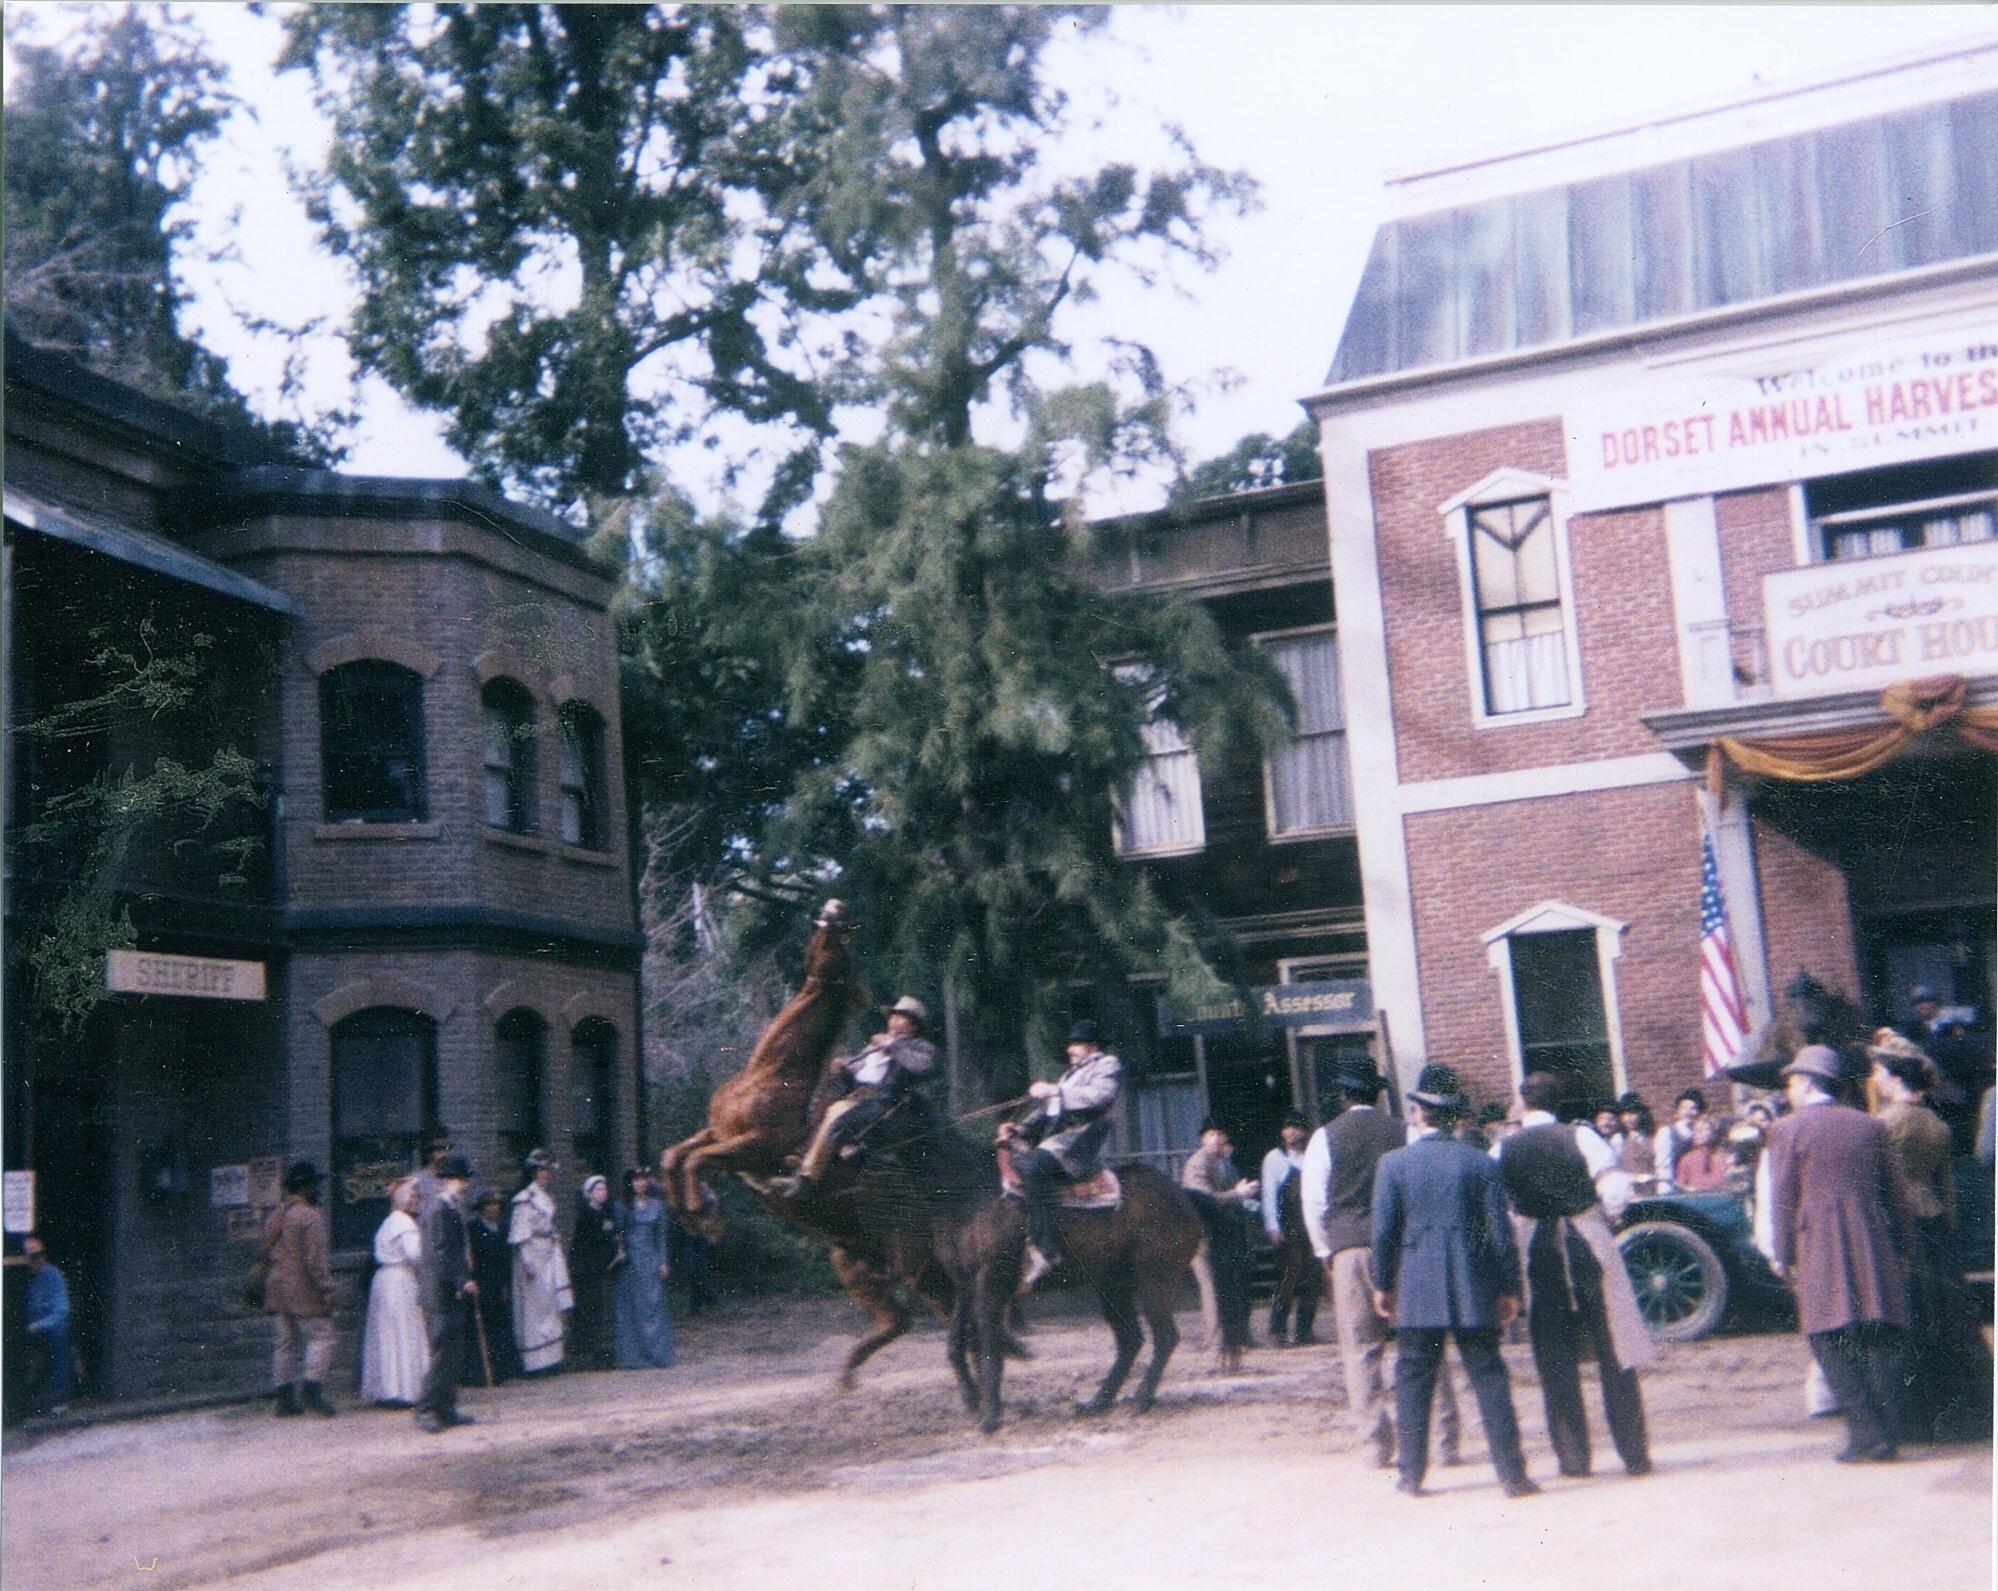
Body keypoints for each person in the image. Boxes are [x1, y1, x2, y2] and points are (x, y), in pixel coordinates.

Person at [1370, 1065, 1537, 1498]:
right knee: (1488, 1374)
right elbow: (1500, 1234)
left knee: (1412, 1379)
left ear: (1418, 1113)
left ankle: (1410, 1475)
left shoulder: (1393, 1164)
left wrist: (1382, 1283)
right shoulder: (1480, 1163)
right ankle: (1513, 1476)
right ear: (1457, 1117)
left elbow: (1384, 1232)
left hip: (1417, 1282)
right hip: (1473, 1282)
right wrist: (1509, 1288)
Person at [1498, 1072, 1655, 1479]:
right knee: (1613, 1348)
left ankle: (1572, 1459)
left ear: (1524, 1104)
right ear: (1558, 1104)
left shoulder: (1504, 1148)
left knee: (1554, 1356)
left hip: (1538, 1249)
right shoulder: (1582, 1137)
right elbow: (1617, 1186)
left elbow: (1500, 1204)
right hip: (1585, 1240)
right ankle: (1634, 1454)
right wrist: (1602, 1216)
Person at [1764, 1045, 1915, 1463]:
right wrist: (1903, 1247)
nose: (1790, 1088)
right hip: (1872, 1242)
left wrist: (1781, 1252)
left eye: (1793, 1081)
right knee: (1878, 1332)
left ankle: (1865, 1431)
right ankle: (1887, 1433)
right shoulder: (1870, 1126)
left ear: (1809, 1082)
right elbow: (1898, 1198)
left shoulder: (1787, 1130)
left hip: (1818, 1245)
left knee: (1827, 1336)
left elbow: (1783, 1198)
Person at [1869, 1032, 1992, 1441]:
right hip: (1936, 1227)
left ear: (1895, 1077)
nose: (1876, 1079)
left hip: (1903, 1228)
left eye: (1880, 1072)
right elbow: (1946, 1191)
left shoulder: (1886, 1124)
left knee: (1910, 1319)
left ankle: (1917, 1418)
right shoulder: (1936, 1123)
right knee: (1946, 1319)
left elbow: (1881, 1186)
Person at [1301, 1059, 1413, 1468]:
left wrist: (1323, 1250)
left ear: (1344, 1095)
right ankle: (1441, 1439)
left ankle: (1375, 1445)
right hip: (1401, 1249)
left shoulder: (1324, 1137)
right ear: (1378, 1094)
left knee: (1361, 1349)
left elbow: (1314, 1201)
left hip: (1350, 1247)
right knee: (1418, 1342)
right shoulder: (1405, 1131)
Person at [777, 996, 941, 1196]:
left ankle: (806, 1178)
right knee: (820, 1100)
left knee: (836, 1111)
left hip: (882, 1101)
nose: (894, 1022)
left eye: (901, 1018)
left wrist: (891, 1046)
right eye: (893, 1017)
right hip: (855, 1094)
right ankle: (799, 1151)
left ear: (913, 1026)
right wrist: (842, 1069)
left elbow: (924, 1067)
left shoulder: (917, 1047)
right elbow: (857, 1071)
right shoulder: (874, 1045)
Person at [1004, 1020, 1122, 1291]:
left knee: (1035, 1168)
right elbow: (1048, 1111)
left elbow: (1099, 1096)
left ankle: (1048, 1248)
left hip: (1080, 1140)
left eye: (1075, 1044)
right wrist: (1020, 1128)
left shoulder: (1108, 1065)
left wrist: (1057, 1091)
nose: (1070, 1049)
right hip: (1057, 1138)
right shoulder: (1070, 1075)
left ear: (1092, 1046)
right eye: (1070, 1044)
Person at [261, 1161, 337, 1419]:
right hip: (303, 1288)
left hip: (277, 1288)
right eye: (314, 1184)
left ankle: (284, 1398)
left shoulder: (277, 1214)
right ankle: (312, 1389)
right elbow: (315, 1261)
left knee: (285, 1343)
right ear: (305, 1187)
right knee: (322, 1336)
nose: (317, 1189)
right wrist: (326, 1289)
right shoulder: (309, 1216)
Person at [1182, 1122, 1258, 1367]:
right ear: (1203, 1138)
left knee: (1230, 1283)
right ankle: (1214, 1341)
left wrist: (1241, 1195)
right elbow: (1204, 1200)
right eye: (1211, 1134)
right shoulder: (1198, 1163)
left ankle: (1235, 1336)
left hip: (1224, 1233)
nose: (1216, 1139)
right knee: (1211, 1286)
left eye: (1220, 1134)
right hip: (1203, 1234)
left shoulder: (1224, 1163)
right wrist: (1238, 1194)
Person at [415, 1154, 478, 1432]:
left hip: (450, 1292)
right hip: (439, 1293)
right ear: (447, 1181)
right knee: (443, 1351)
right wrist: (461, 1281)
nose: (465, 1185)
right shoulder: (438, 1210)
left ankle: (446, 1407)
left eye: (465, 1180)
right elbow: (441, 1254)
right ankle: (425, 1408)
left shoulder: (451, 1208)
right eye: (460, 1180)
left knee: (454, 1351)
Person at [359, 1177, 429, 1406]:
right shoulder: (405, 1223)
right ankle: (405, 1390)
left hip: (383, 1281)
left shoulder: (388, 1222)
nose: (417, 1200)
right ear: (406, 1199)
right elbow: (415, 1255)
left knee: (387, 1333)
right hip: (399, 1280)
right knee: (402, 1329)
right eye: (415, 1196)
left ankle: (388, 1389)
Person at [510, 1149, 573, 1374]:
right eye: (541, 1171)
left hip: (548, 1253)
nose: (545, 1175)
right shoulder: (525, 1200)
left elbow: (549, 1225)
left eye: (547, 1171)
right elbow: (520, 1234)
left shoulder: (547, 1198)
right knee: (535, 1308)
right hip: (533, 1256)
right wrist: (527, 1261)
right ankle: (536, 1362)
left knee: (550, 1303)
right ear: (533, 1173)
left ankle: (553, 1357)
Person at [1260, 1114, 1321, 1347]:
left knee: (1312, 1280)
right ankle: (1277, 1330)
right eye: (1287, 1128)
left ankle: (1304, 1331)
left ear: (1305, 1131)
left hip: (1311, 1226)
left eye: (1296, 1128)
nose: (1291, 1132)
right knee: (1287, 1279)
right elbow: (1269, 1195)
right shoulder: (1274, 1159)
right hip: (1288, 1227)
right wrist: (1273, 1226)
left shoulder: (1312, 1156)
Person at [613, 1169, 677, 1369]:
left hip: (651, 1260)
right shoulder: (625, 1208)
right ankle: (636, 1356)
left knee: (654, 1305)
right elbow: (619, 1235)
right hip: (632, 1263)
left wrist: (663, 1261)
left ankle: (658, 1354)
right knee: (634, 1307)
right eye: (636, 1181)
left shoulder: (657, 1206)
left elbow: (661, 1237)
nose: (640, 1184)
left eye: (642, 1180)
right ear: (630, 1184)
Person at [466, 1189, 522, 1383]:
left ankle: (501, 1370)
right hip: (482, 1281)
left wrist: (506, 1284)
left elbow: (506, 1259)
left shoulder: (503, 1228)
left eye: (496, 1205)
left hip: (498, 1282)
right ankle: (480, 1374)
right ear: (481, 1208)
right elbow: (470, 1258)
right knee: (482, 1328)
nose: (493, 1209)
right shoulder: (473, 1228)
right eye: (489, 1205)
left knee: (500, 1326)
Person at [568, 1174, 621, 1372]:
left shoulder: (605, 1213)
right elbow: (588, 1245)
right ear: (589, 1194)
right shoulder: (586, 1216)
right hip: (587, 1271)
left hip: (600, 1268)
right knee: (588, 1309)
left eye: (604, 1189)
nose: (603, 1193)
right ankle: (584, 1353)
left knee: (600, 1309)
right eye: (598, 1190)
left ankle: (600, 1351)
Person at [22, 1237, 72, 1416]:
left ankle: (60, 1399)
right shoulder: (19, 1278)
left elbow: (61, 1310)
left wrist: (39, 1325)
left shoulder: (52, 1275)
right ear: (24, 1259)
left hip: (43, 1328)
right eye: (35, 1256)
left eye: (42, 1254)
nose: (40, 1259)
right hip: (23, 1328)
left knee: (58, 1337)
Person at [1653, 1088, 1707, 1187]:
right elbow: (1664, 1167)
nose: (1688, 1112)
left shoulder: (1702, 1134)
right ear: (1677, 1112)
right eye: (1684, 1108)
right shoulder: (1667, 1133)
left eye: (1693, 1108)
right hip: (1676, 1188)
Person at [1672, 1114, 1733, 1191]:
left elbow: (1725, 1183)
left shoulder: (1724, 1157)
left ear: (1713, 1133)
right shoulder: (1687, 1159)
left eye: (1704, 1129)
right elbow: (1680, 1186)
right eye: (1696, 1130)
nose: (1699, 1133)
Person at [410, 1128, 454, 1219]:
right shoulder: (418, 1179)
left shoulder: (451, 1179)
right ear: (430, 1154)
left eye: (446, 1150)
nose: (444, 1155)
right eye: (439, 1151)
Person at [1613, 1094, 1657, 1178]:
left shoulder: (1651, 1138)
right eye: (1624, 1115)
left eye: (1632, 1113)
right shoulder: (1618, 1140)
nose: (1628, 1118)